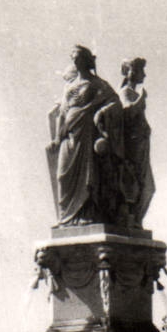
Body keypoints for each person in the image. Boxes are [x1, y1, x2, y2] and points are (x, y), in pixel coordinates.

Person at [47, 46, 122, 226]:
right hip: (69, 135)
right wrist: (57, 138)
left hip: (87, 134)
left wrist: (101, 112)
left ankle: (86, 215)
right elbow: (63, 114)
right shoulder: (70, 87)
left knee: (88, 176)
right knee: (62, 175)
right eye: (73, 58)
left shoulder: (97, 83)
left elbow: (115, 101)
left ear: (86, 60)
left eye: (78, 58)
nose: (75, 61)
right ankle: (66, 217)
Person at [117, 57, 155, 229]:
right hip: (133, 148)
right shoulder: (125, 92)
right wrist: (141, 99)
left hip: (141, 147)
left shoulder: (132, 93)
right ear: (131, 72)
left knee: (146, 186)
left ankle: (136, 221)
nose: (144, 75)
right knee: (140, 185)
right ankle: (133, 220)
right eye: (141, 70)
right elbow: (127, 112)